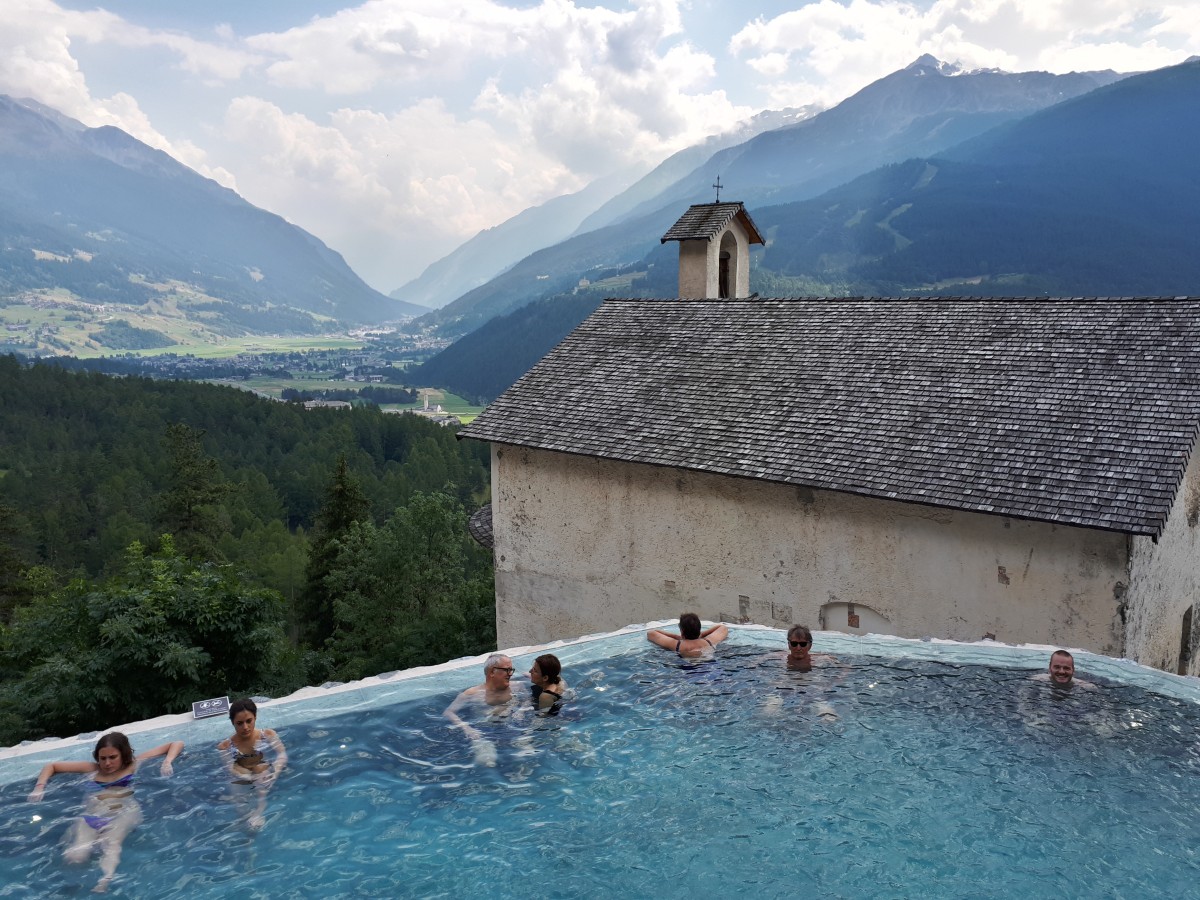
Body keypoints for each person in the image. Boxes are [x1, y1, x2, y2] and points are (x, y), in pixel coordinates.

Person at [27, 731, 184, 893]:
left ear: (123, 754)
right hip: (92, 815)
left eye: (113, 757)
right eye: (103, 758)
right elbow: (51, 766)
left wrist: (167, 762)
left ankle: (105, 880)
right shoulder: (92, 769)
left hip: (123, 813)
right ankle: (73, 887)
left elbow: (176, 743)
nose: (107, 763)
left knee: (110, 844)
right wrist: (39, 787)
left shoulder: (133, 765)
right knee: (75, 857)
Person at [216, 698, 287, 829]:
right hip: (241, 774)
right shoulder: (225, 746)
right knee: (239, 800)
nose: (245, 727)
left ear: (255, 717)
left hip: (262, 770)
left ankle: (259, 811)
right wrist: (248, 778)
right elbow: (230, 768)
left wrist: (275, 773)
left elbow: (282, 755)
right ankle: (247, 818)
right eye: (239, 723)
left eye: (249, 721)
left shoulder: (267, 734)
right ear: (232, 723)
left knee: (260, 769)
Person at [444, 653, 517, 765]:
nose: (510, 674)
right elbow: (449, 712)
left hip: (511, 727)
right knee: (487, 760)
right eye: (507, 670)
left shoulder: (517, 686)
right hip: (483, 732)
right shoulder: (473, 693)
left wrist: (521, 711)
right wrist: (466, 728)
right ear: (492, 672)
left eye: (511, 670)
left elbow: (526, 701)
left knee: (526, 752)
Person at [646, 613, 729, 658]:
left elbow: (651, 633)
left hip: (687, 671)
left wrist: (676, 637)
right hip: (710, 665)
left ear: (682, 631)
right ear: (699, 629)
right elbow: (723, 627)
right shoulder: (709, 641)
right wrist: (702, 634)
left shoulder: (676, 644)